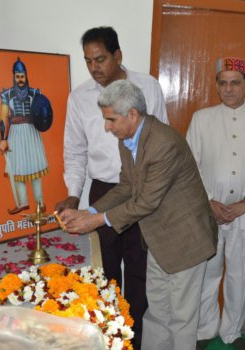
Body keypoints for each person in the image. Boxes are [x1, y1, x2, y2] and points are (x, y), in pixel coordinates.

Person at [59, 80, 217, 350]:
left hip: (185, 242)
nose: (107, 127)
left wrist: (95, 221)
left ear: (132, 114)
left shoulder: (163, 143)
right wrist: (90, 210)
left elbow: (145, 202)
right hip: (157, 239)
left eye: (111, 119)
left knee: (181, 319)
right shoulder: (128, 139)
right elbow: (127, 187)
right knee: (156, 314)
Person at [55, 26, 168, 348]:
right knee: (104, 270)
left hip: (142, 190)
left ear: (118, 56)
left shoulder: (147, 87)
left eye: (101, 59)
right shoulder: (79, 97)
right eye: (88, 61)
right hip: (103, 191)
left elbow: (162, 138)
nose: (94, 68)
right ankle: (107, 337)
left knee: (139, 268)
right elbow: (74, 151)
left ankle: (135, 338)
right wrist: (74, 194)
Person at [186, 57, 245, 349]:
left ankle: (232, 332)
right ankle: (204, 330)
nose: (229, 89)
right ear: (216, 85)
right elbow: (190, 165)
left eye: (235, 82)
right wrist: (209, 202)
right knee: (208, 275)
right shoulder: (202, 118)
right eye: (223, 83)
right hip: (209, 213)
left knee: (239, 276)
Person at [0, 58, 50, 215]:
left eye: (22, 76)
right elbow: (3, 117)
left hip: (32, 132)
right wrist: (3, 139)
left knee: (34, 167)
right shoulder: (7, 94)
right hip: (15, 133)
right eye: (17, 76)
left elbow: (44, 112)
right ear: (14, 77)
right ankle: (23, 202)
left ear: (26, 76)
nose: (20, 80)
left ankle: (40, 203)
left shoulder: (35, 93)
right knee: (18, 168)